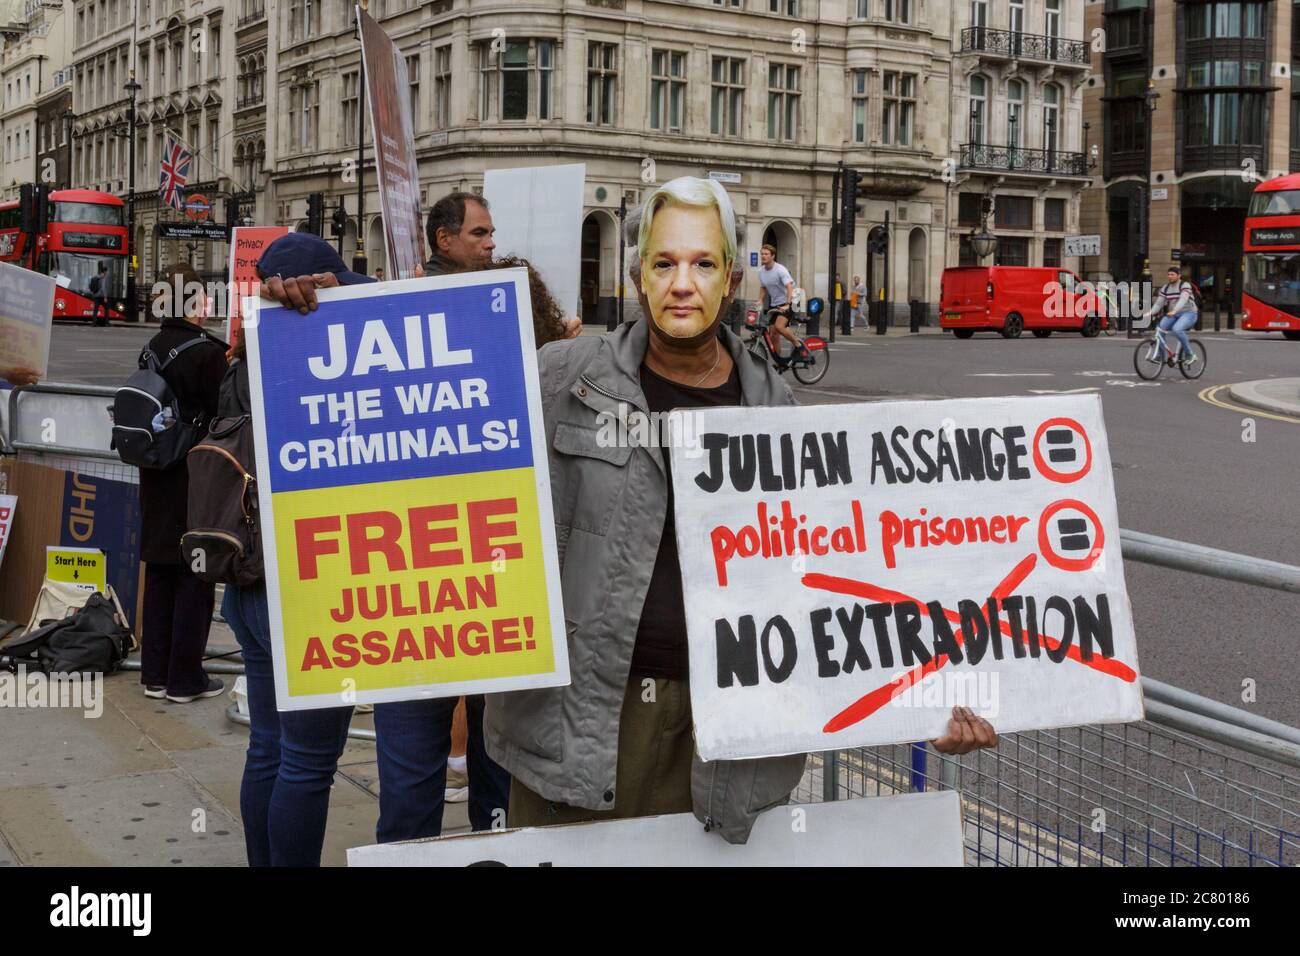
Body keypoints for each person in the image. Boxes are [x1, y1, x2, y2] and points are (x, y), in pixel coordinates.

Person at [484, 177, 999, 844]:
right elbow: (441, 436)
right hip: (578, 725)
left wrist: (933, 702)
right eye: (663, 263)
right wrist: (309, 321)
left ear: (733, 279)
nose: (681, 283)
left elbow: (843, 585)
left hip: (719, 738)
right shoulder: (562, 376)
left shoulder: (777, 416)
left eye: (702, 263)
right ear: (637, 274)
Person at [228, 234, 370, 866]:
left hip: (248, 584)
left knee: (268, 749)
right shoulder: (314, 358)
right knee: (308, 764)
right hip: (303, 595)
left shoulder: (246, 357)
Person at [138, 263, 228, 703]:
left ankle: (154, 674)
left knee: (158, 572)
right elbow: (223, 416)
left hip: (156, 471)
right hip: (194, 475)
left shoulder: (152, 346)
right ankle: (185, 678)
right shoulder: (208, 352)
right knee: (196, 572)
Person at [757, 244, 806, 360]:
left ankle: (798, 344)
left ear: (772, 256)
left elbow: (789, 287)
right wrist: (759, 300)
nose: (763, 256)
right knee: (773, 335)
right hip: (775, 303)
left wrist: (787, 305)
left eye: (766, 254)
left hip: (791, 300)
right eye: (762, 254)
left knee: (779, 326)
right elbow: (763, 287)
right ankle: (778, 361)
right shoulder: (761, 271)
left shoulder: (780, 270)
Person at [1143, 266, 1199, 366]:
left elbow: (1183, 299)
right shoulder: (1166, 287)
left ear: (1179, 276)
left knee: (1177, 329)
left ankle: (1190, 354)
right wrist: (1150, 312)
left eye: (1172, 274)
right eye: (1168, 274)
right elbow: (1159, 303)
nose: (1170, 276)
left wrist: (1174, 310)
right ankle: (1160, 356)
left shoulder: (1185, 285)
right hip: (1174, 314)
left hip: (1189, 313)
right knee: (1160, 329)